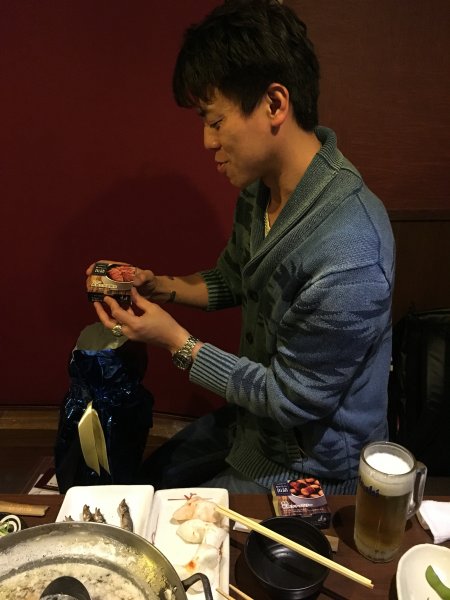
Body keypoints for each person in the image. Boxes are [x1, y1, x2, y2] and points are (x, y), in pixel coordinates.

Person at [88, 0, 395, 494]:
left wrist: (177, 342)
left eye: (215, 121)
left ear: (275, 104)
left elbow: (292, 398)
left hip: (314, 467)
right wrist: (157, 286)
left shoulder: (350, 251)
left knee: (165, 523)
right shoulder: (260, 190)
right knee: (141, 484)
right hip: (253, 424)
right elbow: (234, 277)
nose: (207, 142)